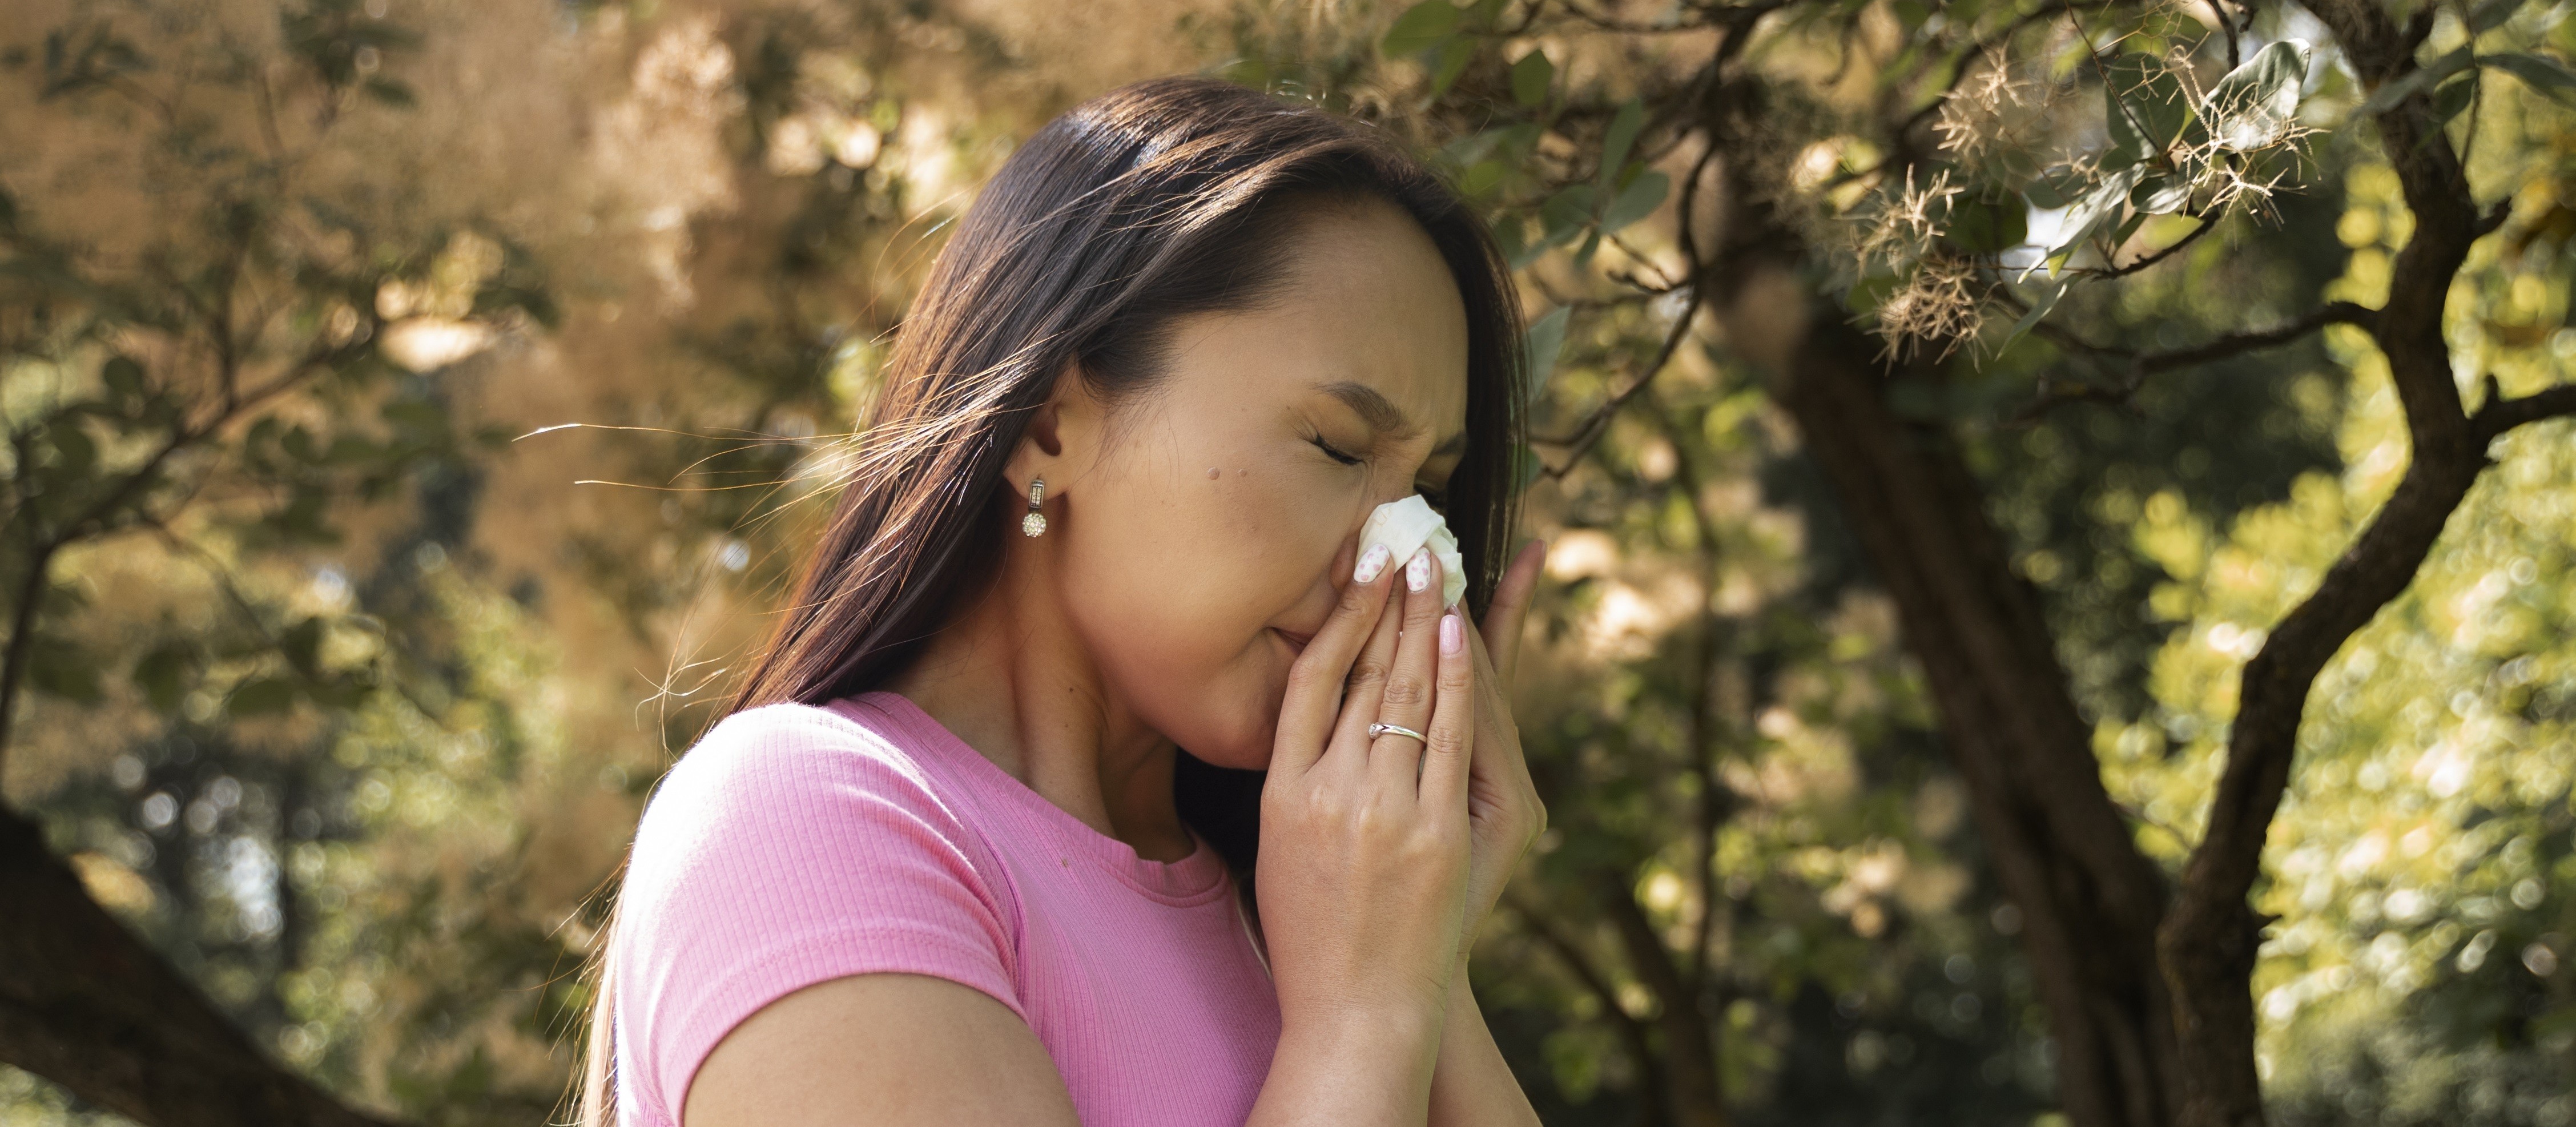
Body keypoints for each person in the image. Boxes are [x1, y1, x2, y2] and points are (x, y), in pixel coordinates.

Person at [573, 74, 1550, 1126]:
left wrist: (1423, 958)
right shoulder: (804, 826)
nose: (1405, 565)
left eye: (1430, 493)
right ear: (1049, 422)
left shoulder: (1310, 922)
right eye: (1339, 446)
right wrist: (1363, 1021)